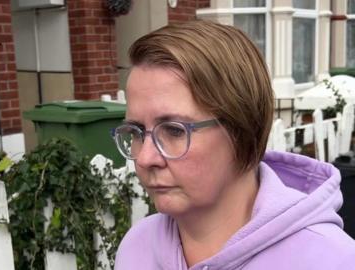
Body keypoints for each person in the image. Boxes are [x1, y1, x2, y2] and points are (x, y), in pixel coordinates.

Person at [111, 19, 355, 270]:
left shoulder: (334, 260)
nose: (144, 158)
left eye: (174, 130)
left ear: (241, 128)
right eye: (137, 131)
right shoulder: (136, 248)